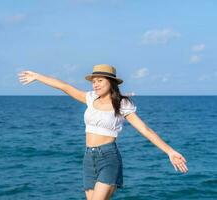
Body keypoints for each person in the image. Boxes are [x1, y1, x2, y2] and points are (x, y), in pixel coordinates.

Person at [18, 64, 188, 200]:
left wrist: (170, 151)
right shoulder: (90, 98)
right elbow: (64, 86)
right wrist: (37, 77)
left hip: (108, 157)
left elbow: (145, 130)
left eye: (100, 80)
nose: (95, 84)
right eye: (94, 81)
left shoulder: (122, 105)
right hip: (88, 158)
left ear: (111, 82)